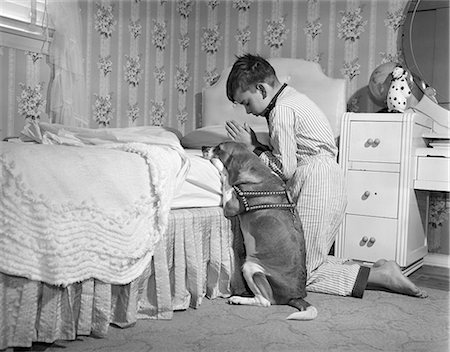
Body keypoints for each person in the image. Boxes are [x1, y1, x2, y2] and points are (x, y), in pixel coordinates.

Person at [224, 53, 427, 299]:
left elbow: (285, 169)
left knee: (297, 273)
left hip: (318, 183)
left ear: (261, 89)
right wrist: (258, 144)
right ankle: (379, 271)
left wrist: (253, 149)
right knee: (302, 262)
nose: (248, 112)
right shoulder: (292, 99)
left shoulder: (282, 111)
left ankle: (381, 276)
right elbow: (290, 156)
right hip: (323, 179)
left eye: (246, 102)